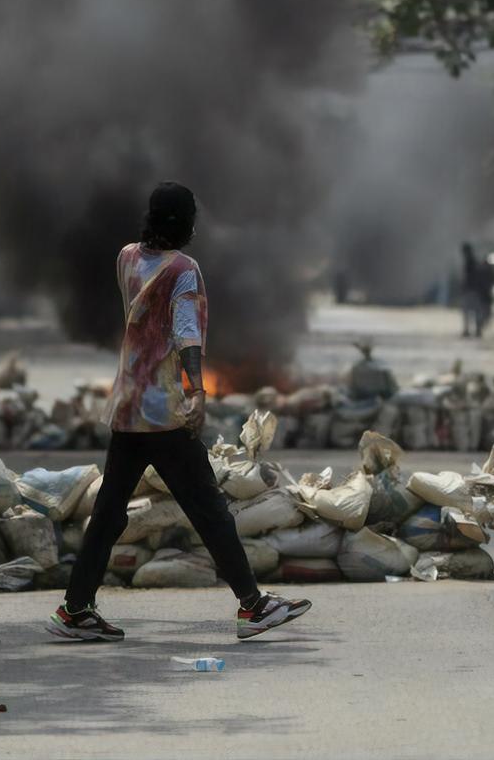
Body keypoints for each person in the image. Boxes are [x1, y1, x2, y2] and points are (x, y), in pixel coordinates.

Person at [46, 182, 311, 642]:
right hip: (163, 411)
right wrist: (197, 392)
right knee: (208, 506)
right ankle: (252, 606)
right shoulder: (184, 270)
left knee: (110, 511)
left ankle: (75, 608)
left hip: (128, 405)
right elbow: (186, 333)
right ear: (186, 223)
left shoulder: (126, 256)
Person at [460, 243, 487, 337]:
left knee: (470, 312)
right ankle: (474, 330)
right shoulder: (471, 262)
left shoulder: (470, 262)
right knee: (472, 312)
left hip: (471, 291)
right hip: (472, 291)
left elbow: (470, 278)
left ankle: (473, 330)